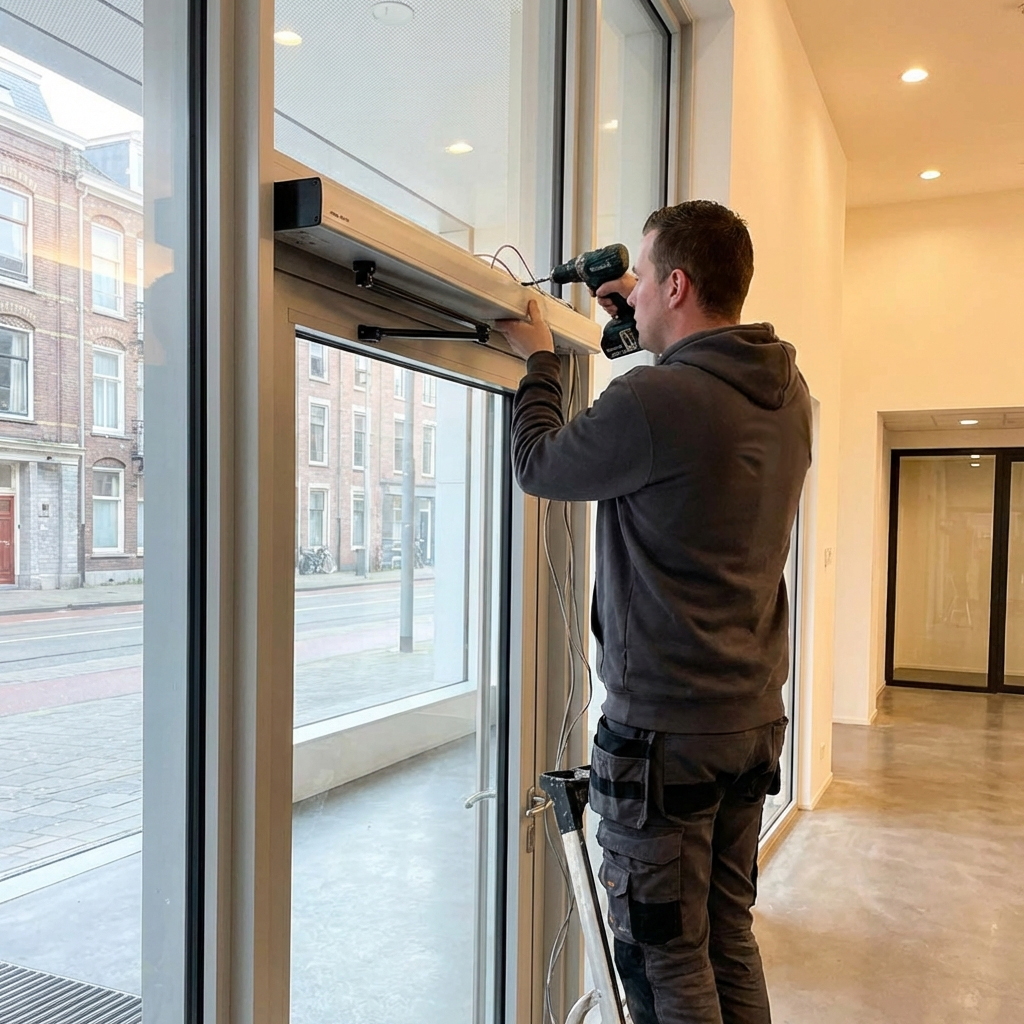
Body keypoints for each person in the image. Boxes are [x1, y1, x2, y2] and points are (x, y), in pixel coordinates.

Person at [497, 200, 812, 1024]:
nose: (630, 289)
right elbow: (687, 398)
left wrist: (537, 362)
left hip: (665, 738)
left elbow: (541, 464)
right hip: (748, 722)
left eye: (645, 277)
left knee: (661, 956)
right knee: (723, 934)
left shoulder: (655, 404)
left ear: (677, 283)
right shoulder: (788, 393)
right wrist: (636, 316)